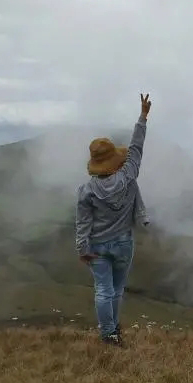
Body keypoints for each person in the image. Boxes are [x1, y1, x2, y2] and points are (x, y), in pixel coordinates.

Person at [75, 94, 152, 345]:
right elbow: (136, 148)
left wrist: (82, 248)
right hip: (123, 242)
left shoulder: (86, 190)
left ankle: (108, 334)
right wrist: (142, 117)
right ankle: (113, 330)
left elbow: (83, 223)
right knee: (117, 290)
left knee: (103, 290)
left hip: (97, 245)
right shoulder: (128, 175)